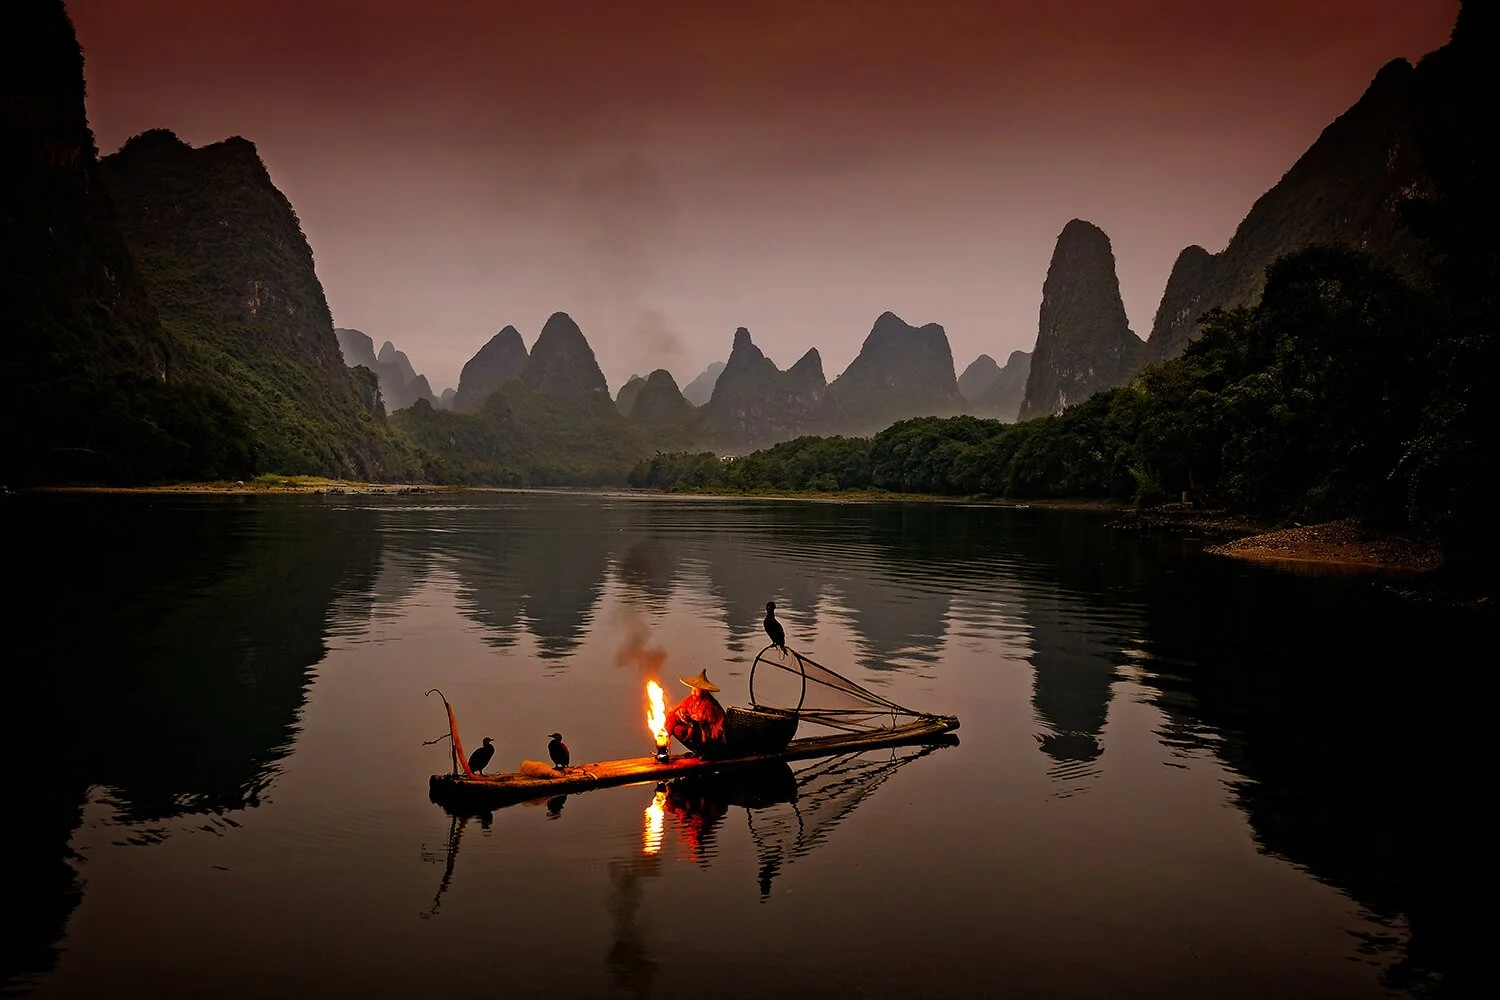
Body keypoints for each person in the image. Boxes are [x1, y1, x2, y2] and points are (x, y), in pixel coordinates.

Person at [668, 669, 727, 755]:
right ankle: (697, 751)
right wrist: (666, 734)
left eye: (697, 689)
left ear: (704, 691)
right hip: (697, 734)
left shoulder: (710, 706)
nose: (693, 691)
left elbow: (713, 731)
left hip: (712, 740)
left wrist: (693, 724)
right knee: (677, 729)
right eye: (693, 688)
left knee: (693, 732)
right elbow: (674, 714)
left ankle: (706, 752)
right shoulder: (690, 700)